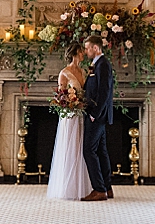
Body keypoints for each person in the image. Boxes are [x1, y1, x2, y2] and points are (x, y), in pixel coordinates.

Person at [46, 46, 91, 201]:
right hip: (70, 115)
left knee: (80, 148)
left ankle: (82, 187)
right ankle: (68, 188)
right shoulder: (64, 73)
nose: (84, 54)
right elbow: (60, 96)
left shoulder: (83, 72)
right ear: (74, 54)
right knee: (69, 148)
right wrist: (71, 102)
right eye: (81, 52)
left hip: (81, 115)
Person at [81, 35, 114, 202]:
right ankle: (107, 187)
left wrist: (94, 114)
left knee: (88, 150)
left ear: (95, 48)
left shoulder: (103, 65)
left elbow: (104, 92)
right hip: (98, 115)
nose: (86, 51)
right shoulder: (98, 64)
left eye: (87, 48)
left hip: (97, 115)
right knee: (101, 151)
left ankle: (99, 189)